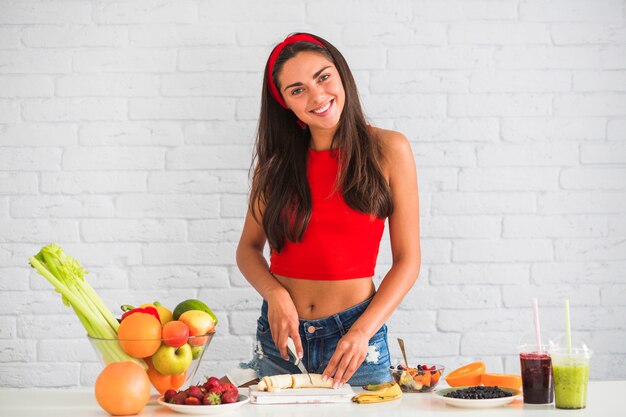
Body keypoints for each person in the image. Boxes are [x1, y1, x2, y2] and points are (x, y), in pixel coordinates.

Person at [228, 33, 420, 389]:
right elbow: (247, 250)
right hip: (283, 340)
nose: (317, 96)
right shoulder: (275, 167)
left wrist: (362, 331)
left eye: (323, 76)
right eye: (297, 89)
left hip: (355, 340)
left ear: (341, 74)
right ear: (284, 102)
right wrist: (275, 295)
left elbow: (408, 261)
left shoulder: (389, 149)